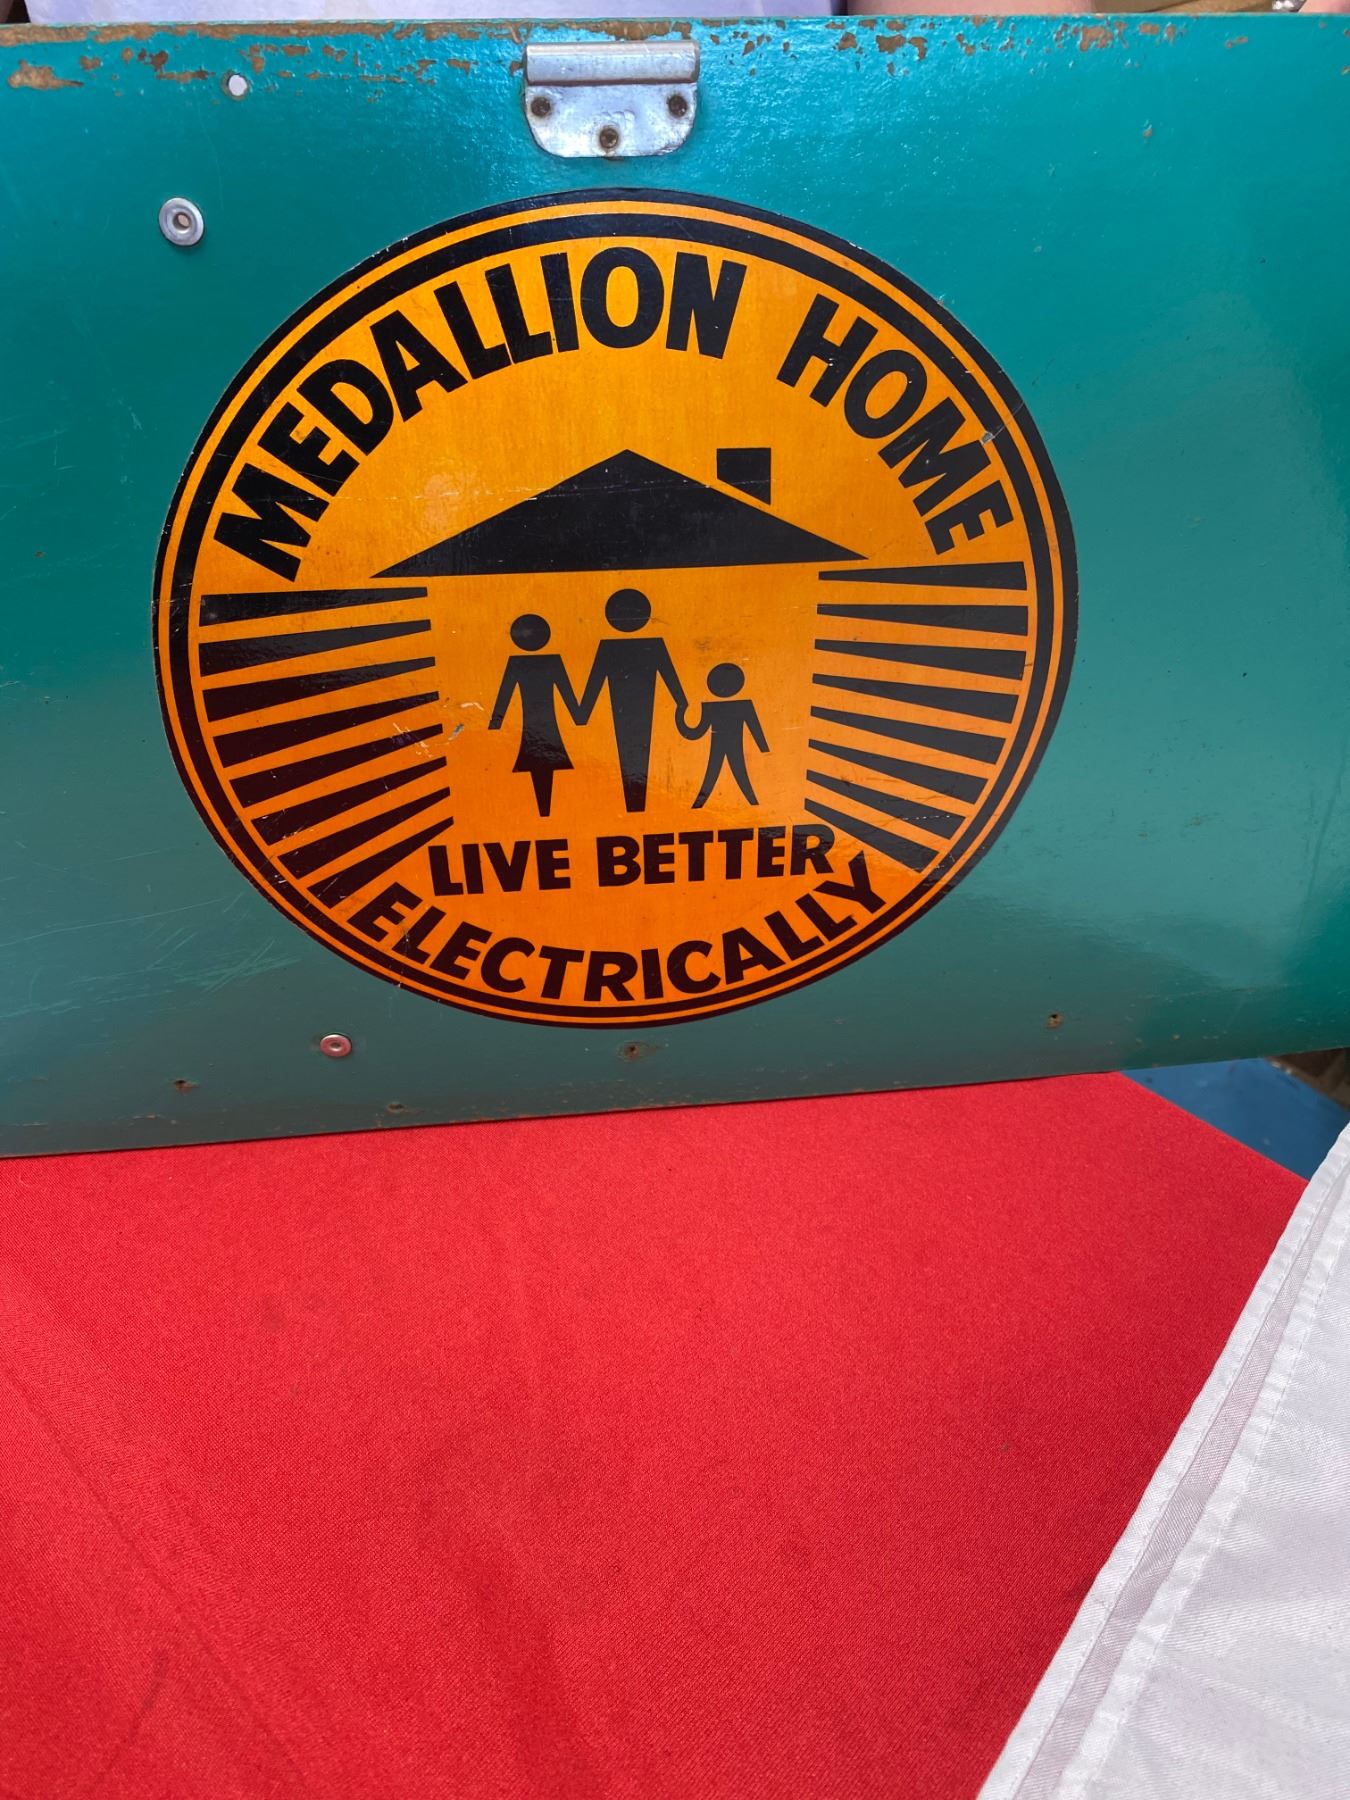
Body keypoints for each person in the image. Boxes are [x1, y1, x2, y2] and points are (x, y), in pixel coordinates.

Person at [577, 590, 688, 814]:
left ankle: (636, 808)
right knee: (629, 752)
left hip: (641, 706)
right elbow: (595, 680)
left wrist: (583, 712)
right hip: (623, 707)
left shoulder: (648, 646)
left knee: (636, 751)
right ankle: (634, 808)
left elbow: (670, 676)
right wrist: (681, 703)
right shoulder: (611, 648)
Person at [487, 614, 582, 819]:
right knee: (541, 763)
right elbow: (505, 693)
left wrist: (496, 722)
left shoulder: (541, 661)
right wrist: (578, 715)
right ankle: (545, 815)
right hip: (538, 727)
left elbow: (565, 690)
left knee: (541, 763)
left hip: (538, 727)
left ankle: (546, 814)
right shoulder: (533, 662)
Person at [681, 662, 769, 808]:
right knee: (715, 775)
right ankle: (699, 805)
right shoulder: (735, 706)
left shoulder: (738, 706)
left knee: (734, 775)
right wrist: (763, 748)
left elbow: (696, 732)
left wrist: (763, 748)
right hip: (720, 747)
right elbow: (697, 731)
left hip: (731, 746)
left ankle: (753, 802)